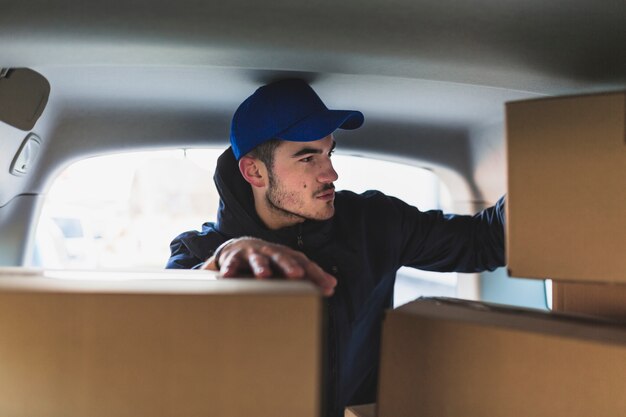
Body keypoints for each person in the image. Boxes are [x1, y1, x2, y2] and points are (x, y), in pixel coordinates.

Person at [166, 79, 506, 417]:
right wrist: (221, 262)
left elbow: (484, 241)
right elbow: (164, 338)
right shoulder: (199, 250)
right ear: (255, 172)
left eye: (329, 152)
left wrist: (541, 181)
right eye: (308, 158)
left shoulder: (372, 222)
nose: (331, 173)